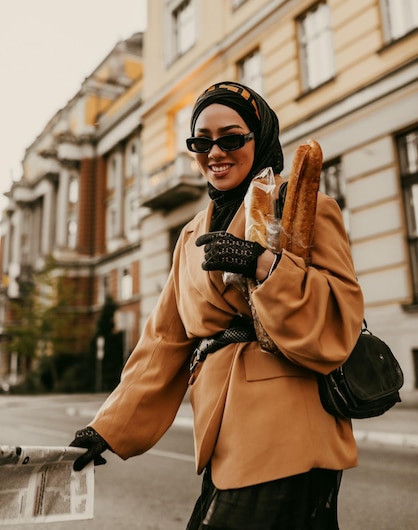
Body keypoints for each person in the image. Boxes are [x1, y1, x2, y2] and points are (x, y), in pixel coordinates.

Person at [70, 81, 364, 529]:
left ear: (260, 138)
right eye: (201, 141)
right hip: (223, 435)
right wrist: (107, 428)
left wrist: (264, 265)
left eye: (231, 138)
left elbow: (340, 318)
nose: (215, 152)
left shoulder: (302, 205)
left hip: (291, 430)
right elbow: (164, 340)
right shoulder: (189, 235)